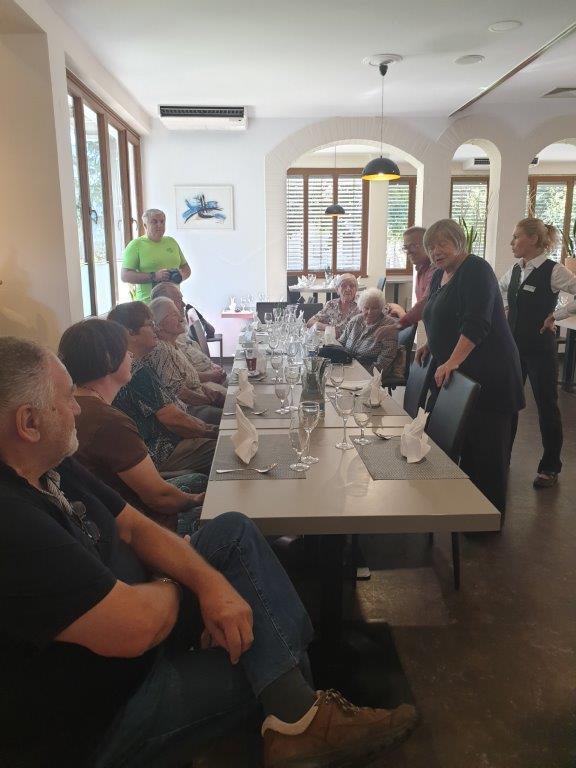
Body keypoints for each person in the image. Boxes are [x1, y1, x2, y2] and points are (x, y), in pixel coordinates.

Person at [0, 336, 418, 768]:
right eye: (67, 398)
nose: (77, 408)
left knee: (232, 530)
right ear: (28, 422)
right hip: (107, 710)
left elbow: (136, 526)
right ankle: (301, 719)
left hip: (139, 616)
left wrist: (208, 583)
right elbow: (137, 627)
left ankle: (297, 718)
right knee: (267, 651)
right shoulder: (11, 520)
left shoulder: (52, 467)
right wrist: (186, 581)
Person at [416, 219, 525, 514]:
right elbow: (439, 315)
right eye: (431, 246)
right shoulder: (440, 276)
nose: (436, 251)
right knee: (465, 447)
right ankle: (464, 510)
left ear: (459, 241)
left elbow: (476, 323)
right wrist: (431, 345)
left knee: (487, 453)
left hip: (490, 375)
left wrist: (452, 360)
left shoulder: (476, 270)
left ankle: (485, 520)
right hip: (459, 375)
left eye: (442, 243)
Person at [58, 318, 206, 533]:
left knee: (199, 480)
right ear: (109, 360)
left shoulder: (70, 406)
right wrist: (199, 500)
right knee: (233, 521)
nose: (131, 355)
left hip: (96, 517)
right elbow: (159, 498)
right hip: (135, 529)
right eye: (125, 350)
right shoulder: (109, 422)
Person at [498, 217, 576, 489]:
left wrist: (556, 315)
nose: (512, 242)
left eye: (516, 236)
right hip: (514, 349)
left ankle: (550, 467)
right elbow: (499, 290)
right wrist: (506, 309)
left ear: (532, 239)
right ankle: (502, 457)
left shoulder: (553, 271)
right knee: (509, 404)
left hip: (541, 350)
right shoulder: (515, 269)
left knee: (546, 407)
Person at [108, 302, 218, 474]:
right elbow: (173, 419)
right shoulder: (135, 371)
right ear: (130, 332)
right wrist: (215, 431)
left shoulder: (136, 364)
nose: (156, 329)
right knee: (224, 449)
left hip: (167, 444)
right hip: (162, 452)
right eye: (150, 324)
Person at [147, 297, 225, 412]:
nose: (181, 318)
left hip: (200, 397)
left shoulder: (173, 345)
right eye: (174, 315)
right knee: (235, 409)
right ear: (158, 325)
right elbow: (180, 393)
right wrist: (210, 400)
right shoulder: (161, 349)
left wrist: (206, 390)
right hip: (190, 409)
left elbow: (187, 380)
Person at [150, 281, 227, 386]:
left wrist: (212, 365)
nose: (184, 304)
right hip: (203, 383)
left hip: (209, 375)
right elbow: (181, 383)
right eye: (179, 300)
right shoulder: (163, 347)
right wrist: (211, 376)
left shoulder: (176, 334)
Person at [121, 208, 191, 303]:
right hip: (148, 304)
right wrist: (154, 276)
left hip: (174, 303)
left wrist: (181, 275)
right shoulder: (135, 245)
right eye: (154, 222)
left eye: (162, 222)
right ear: (145, 225)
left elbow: (186, 268)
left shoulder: (172, 242)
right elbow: (125, 276)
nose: (159, 225)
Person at [386, 226, 438, 328]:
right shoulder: (420, 269)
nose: (408, 252)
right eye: (406, 248)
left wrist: (398, 325)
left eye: (413, 246)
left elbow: (425, 303)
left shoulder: (435, 270)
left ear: (427, 245)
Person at [339, 287, 398, 372]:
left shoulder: (388, 325)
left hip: (369, 369)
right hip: (347, 365)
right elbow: (340, 343)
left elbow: (386, 358)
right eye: (366, 308)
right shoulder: (356, 320)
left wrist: (368, 374)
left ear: (381, 307)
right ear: (361, 307)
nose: (370, 312)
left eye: (374, 308)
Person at [306, 273, 360, 337]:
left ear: (356, 289)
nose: (348, 289)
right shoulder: (331, 304)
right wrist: (328, 328)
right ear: (337, 290)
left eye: (352, 286)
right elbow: (310, 323)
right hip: (332, 341)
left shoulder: (362, 305)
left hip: (354, 341)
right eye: (344, 286)